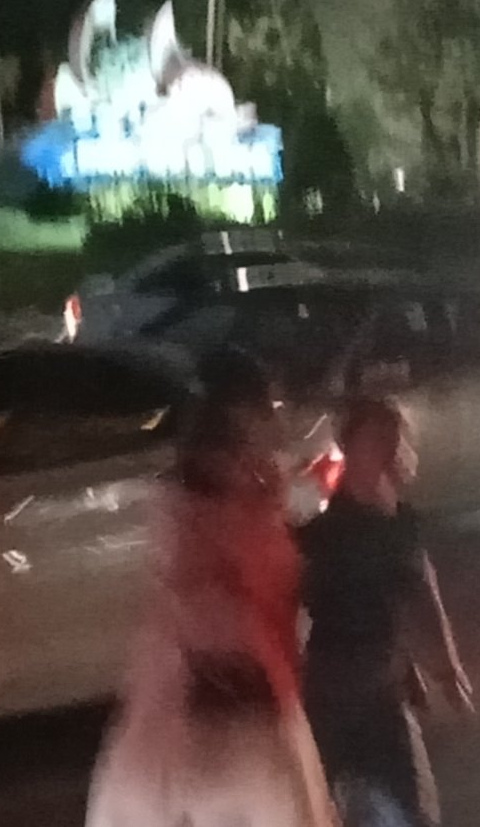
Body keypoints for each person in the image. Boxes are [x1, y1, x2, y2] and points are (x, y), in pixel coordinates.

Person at [87, 349, 335, 827]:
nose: (278, 419)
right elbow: (208, 610)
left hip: (226, 710)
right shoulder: (202, 506)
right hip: (225, 718)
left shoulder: (242, 494)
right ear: (239, 414)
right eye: (270, 407)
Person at [299, 399, 472, 827]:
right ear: (349, 447)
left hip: (381, 688)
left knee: (411, 808)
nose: (390, 450)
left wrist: (447, 668)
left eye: (395, 440)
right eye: (376, 440)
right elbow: (291, 611)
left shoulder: (401, 523)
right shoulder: (322, 535)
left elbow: (423, 593)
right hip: (334, 693)